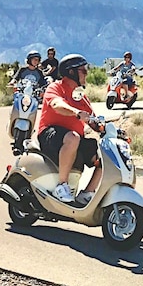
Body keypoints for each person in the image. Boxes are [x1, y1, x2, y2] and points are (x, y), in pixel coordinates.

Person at [35, 54, 102, 204]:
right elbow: (57, 105)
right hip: (50, 134)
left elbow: (92, 119)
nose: (87, 74)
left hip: (72, 139)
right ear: (71, 72)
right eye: (83, 71)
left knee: (104, 156)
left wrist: (104, 128)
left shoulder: (81, 96)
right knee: (73, 137)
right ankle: (62, 186)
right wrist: (76, 112)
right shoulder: (56, 87)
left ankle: (87, 192)